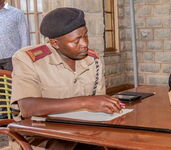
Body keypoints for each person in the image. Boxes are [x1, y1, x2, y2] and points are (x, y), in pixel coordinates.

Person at [10, 7, 123, 150]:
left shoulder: (92, 60)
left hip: (82, 131)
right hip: (42, 136)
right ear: (55, 43)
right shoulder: (28, 59)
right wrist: (84, 102)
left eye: (85, 36)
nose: (85, 44)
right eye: (76, 41)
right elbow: (28, 107)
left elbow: (98, 105)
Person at [0, 0, 29, 71]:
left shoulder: (17, 13)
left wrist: (23, 56)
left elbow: (24, 35)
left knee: (13, 81)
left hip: (12, 58)